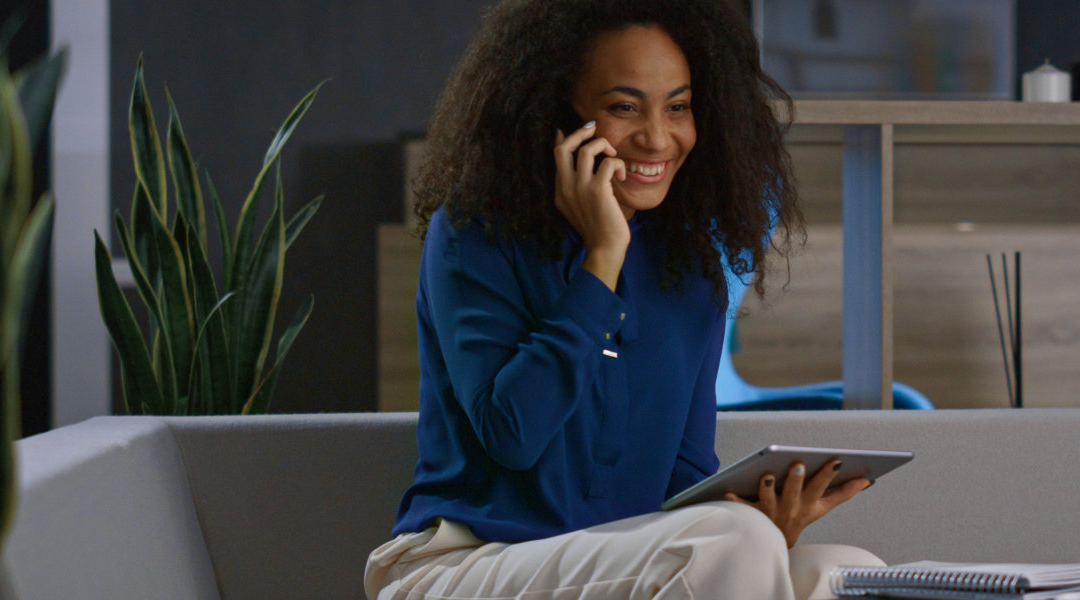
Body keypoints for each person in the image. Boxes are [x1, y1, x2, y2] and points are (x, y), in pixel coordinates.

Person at [362, 1, 885, 598]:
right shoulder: (475, 236)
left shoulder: (690, 271)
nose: (659, 137)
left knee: (844, 571)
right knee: (734, 539)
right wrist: (603, 257)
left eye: (679, 107)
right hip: (465, 564)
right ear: (557, 114)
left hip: (619, 562)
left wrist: (770, 521)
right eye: (624, 107)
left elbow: (685, 483)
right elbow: (511, 433)